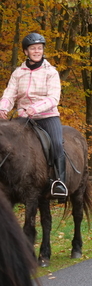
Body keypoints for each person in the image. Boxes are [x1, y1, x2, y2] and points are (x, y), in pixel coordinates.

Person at [0, 32, 68, 199]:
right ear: (26, 52)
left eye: (39, 48)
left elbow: (53, 98)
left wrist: (35, 108)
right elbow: (10, 94)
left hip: (47, 116)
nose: (37, 51)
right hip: (23, 118)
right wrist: (3, 108)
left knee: (57, 144)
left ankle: (60, 182)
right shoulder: (18, 72)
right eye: (33, 49)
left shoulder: (51, 72)